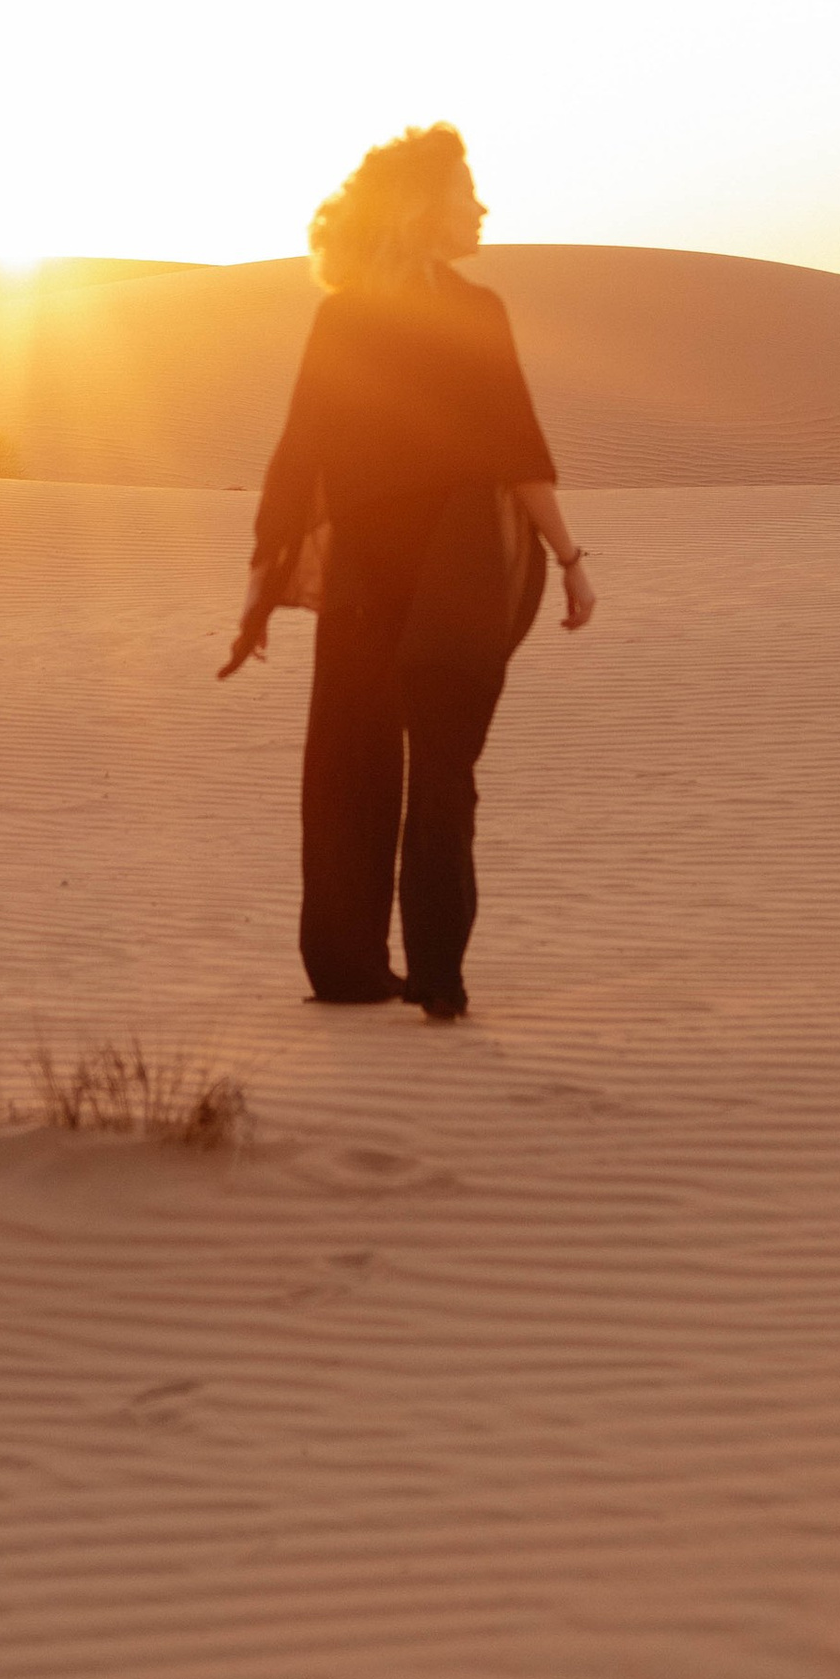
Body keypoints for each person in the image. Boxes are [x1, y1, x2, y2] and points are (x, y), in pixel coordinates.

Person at [218, 123, 594, 1020]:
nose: (483, 207)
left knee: (352, 761)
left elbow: (297, 458)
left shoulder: (344, 314)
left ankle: (351, 968)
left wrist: (261, 589)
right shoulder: (473, 310)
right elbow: (519, 451)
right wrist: (571, 559)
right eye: (469, 193)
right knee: (439, 766)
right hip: (453, 571)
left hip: (369, 574)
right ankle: (433, 975)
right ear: (429, 208)